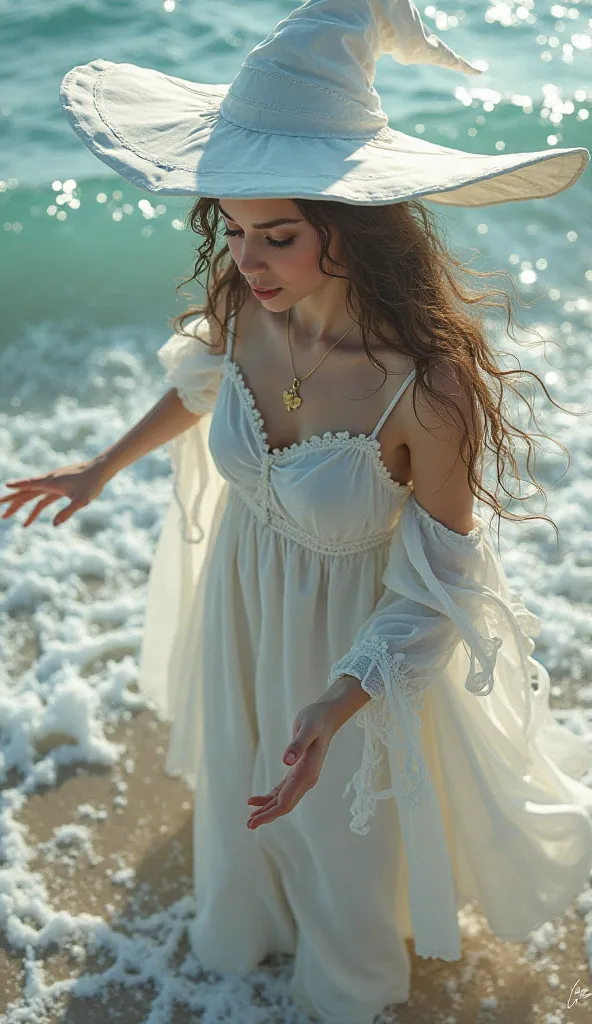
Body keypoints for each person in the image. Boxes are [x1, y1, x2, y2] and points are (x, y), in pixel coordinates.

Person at [3, 2, 592, 1021]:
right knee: (243, 800)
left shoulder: (424, 390)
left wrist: (337, 701)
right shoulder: (245, 308)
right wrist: (101, 466)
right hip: (242, 600)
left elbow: (444, 586)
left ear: (352, 230)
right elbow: (201, 385)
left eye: (277, 234)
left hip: (351, 645)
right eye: (232, 231)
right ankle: (242, 949)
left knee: (342, 854)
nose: (247, 261)